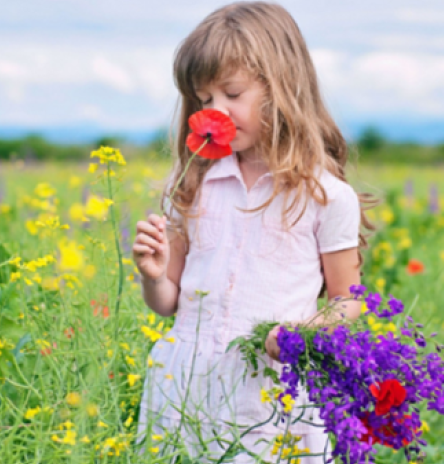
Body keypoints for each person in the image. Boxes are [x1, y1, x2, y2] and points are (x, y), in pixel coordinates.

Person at [132, 2, 376, 462]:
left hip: (270, 392)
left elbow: (349, 301)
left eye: (232, 93)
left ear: (282, 86)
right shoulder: (193, 183)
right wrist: (154, 274)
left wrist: (300, 334)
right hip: (186, 383)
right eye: (204, 100)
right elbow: (168, 303)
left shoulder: (326, 196)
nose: (216, 111)